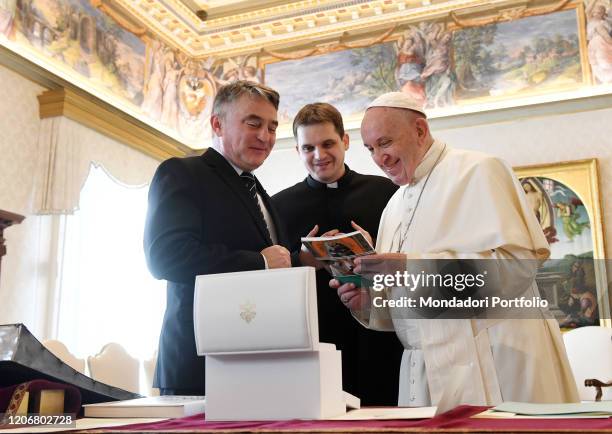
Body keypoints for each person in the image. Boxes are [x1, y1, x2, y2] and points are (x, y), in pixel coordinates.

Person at [333, 92, 579, 407]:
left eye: (385, 143)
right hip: (426, 367)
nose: (380, 159)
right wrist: (366, 300)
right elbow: (402, 309)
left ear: (420, 130)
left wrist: (412, 268)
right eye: (370, 149)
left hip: (497, 357)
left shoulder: (479, 170)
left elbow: (517, 266)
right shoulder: (393, 207)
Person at [144, 80, 296, 395]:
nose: (265, 136)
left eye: (271, 127)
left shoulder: (260, 193)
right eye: (253, 123)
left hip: (260, 365)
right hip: (200, 365)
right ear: (217, 124)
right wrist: (260, 262)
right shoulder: (183, 173)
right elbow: (166, 257)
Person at [272, 103, 403, 405]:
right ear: (297, 151)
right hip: (313, 339)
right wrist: (300, 258)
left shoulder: (386, 192)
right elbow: (272, 277)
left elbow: (406, 254)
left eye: (328, 143)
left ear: (344, 141)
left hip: (378, 336)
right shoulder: (279, 206)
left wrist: (375, 250)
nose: (319, 155)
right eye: (308, 148)